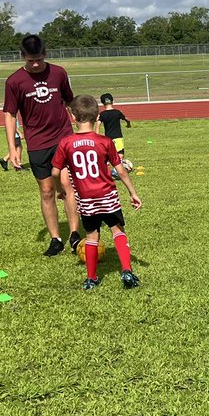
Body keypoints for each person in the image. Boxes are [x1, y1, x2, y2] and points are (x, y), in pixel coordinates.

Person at [51, 95, 142, 290]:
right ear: (96, 117)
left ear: (72, 117)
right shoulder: (105, 142)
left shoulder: (66, 143)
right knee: (117, 230)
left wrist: (60, 190)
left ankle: (91, 279)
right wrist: (133, 193)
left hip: (85, 200)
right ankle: (127, 271)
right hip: (107, 196)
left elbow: (54, 172)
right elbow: (121, 170)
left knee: (92, 237)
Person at [2, 34, 80, 257]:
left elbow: (68, 99)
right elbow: (10, 114)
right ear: (22, 57)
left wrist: (77, 117)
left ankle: (74, 234)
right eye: (30, 60)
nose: (35, 64)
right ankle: (56, 240)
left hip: (62, 138)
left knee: (66, 185)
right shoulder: (14, 81)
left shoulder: (59, 73)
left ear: (45, 54)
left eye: (38, 59)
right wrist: (11, 148)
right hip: (37, 143)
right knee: (46, 191)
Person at [96, 93, 132, 163]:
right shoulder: (117, 112)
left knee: (109, 154)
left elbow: (98, 123)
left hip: (108, 138)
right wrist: (128, 124)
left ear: (102, 103)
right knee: (120, 153)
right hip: (118, 137)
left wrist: (97, 135)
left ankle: (107, 166)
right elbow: (127, 119)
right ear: (113, 101)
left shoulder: (102, 114)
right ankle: (118, 168)